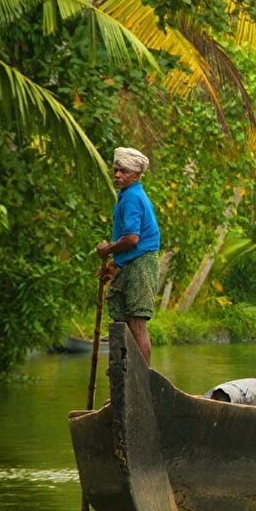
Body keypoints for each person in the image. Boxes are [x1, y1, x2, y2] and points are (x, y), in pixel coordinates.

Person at [96, 147, 161, 364]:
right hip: (133, 263)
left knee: (137, 323)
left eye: (123, 171)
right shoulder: (128, 196)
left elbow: (133, 239)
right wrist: (114, 263)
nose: (117, 175)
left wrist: (108, 250)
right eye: (115, 170)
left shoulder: (132, 197)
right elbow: (134, 243)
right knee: (123, 321)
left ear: (135, 174)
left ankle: (141, 383)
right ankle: (124, 380)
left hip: (142, 266)